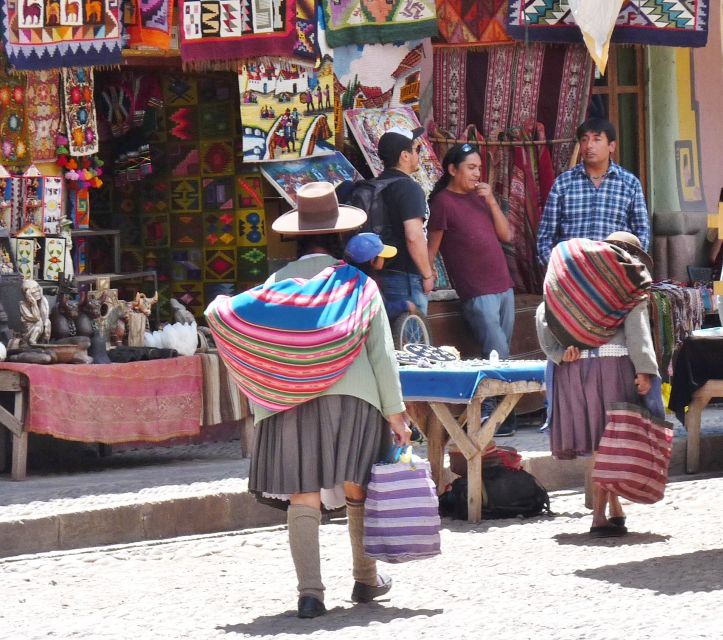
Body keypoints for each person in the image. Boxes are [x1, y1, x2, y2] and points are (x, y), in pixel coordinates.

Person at [205, 182, 411, 619]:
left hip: (288, 400)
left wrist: (263, 398)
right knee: (358, 484)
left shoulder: (270, 288)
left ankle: (310, 594)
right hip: (355, 398)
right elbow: (381, 353)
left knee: (304, 492)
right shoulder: (358, 286)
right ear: (341, 237)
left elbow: (240, 331)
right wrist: (396, 413)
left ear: (294, 237)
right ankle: (365, 578)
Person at [536, 231, 662, 538]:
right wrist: (646, 370)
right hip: (613, 368)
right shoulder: (629, 289)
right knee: (611, 441)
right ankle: (598, 517)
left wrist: (559, 353)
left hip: (573, 371)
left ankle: (615, 509)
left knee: (598, 443)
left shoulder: (574, 283)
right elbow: (638, 332)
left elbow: (543, 314)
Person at [427, 143, 516, 435]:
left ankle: (500, 413)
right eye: (471, 167)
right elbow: (433, 247)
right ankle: (493, 412)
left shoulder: (481, 198)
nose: (477, 173)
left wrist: (491, 201)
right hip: (476, 289)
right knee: (497, 350)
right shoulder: (442, 202)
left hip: (503, 284)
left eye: (479, 168)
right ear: (453, 170)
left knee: (503, 350)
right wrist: (426, 278)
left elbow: (507, 235)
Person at [536, 117, 650, 267]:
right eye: (584, 140)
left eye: (596, 140)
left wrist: (628, 269)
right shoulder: (563, 184)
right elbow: (545, 236)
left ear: (611, 146)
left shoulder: (630, 184)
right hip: (571, 274)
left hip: (615, 274)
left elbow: (642, 234)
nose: (589, 146)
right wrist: (558, 268)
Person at [375, 126, 435, 316]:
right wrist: (427, 274)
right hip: (405, 277)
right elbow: (414, 236)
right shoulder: (408, 188)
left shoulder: (375, 185)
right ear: (405, 156)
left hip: (379, 273)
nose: (419, 154)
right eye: (416, 149)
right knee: (413, 341)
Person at [344, 231, 416, 319]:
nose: (384, 259)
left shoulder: (346, 277)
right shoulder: (368, 283)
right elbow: (384, 309)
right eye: (381, 256)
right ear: (372, 260)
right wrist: (405, 305)